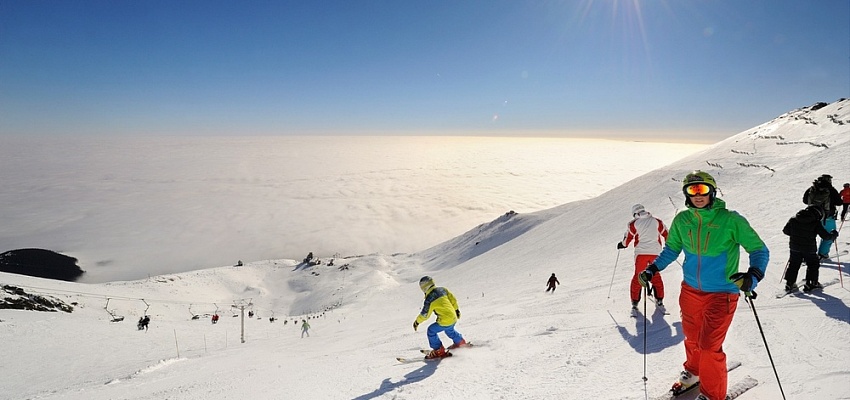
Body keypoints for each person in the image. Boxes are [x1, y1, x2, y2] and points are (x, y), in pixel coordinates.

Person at [638, 170, 769, 400]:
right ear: (686, 194)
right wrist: (653, 268)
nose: (698, 195)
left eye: (702, 189)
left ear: (712, 191)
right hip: (690, 291)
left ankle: (712, 394)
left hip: (722, 293)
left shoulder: (731, 219)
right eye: (692, 190)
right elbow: (671, 249)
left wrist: (753, 276)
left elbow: (759, 250)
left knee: (709, 346)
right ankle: (694, 371)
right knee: (691, 337)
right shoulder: (682, 220)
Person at [618, 203, 668, 310]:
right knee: (655, 275)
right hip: (655, 253)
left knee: (638, 277)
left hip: (641, 254)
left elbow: (628, 238)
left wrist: (622, 245)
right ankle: (659, 300)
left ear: (635, 213)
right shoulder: (657, 221)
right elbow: (666, 234)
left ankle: (635, 303)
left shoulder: (633, 224)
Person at [782, 206, 839, 293]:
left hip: (794, 247)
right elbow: (825, 236)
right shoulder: (815, 223)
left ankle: (789, 284)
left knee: (793, 264)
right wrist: (833, 234)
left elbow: (786, 231)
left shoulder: (793, 219)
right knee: (813, 264)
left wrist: (796, 234)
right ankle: (811, 283)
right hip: (809, 248)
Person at [413, 276, 467, 359]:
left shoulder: (430, 298)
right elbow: (453, 299)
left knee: (431, 331)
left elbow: (425, 314)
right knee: (450, 330)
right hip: (453, 317)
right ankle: (461, 343)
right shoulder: (442, 290)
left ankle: (439, 350)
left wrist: (417, 322)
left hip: (445, 320)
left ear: (424, 287)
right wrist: (456, 310)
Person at [802, 174, 842, 258]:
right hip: (827, 217)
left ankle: (806, 254)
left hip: (812, 216)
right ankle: (822, 254)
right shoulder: (831, 190)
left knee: (809, 235)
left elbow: (805, 201)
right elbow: (839, 202)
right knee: (829, 235)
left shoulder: (812, 188)